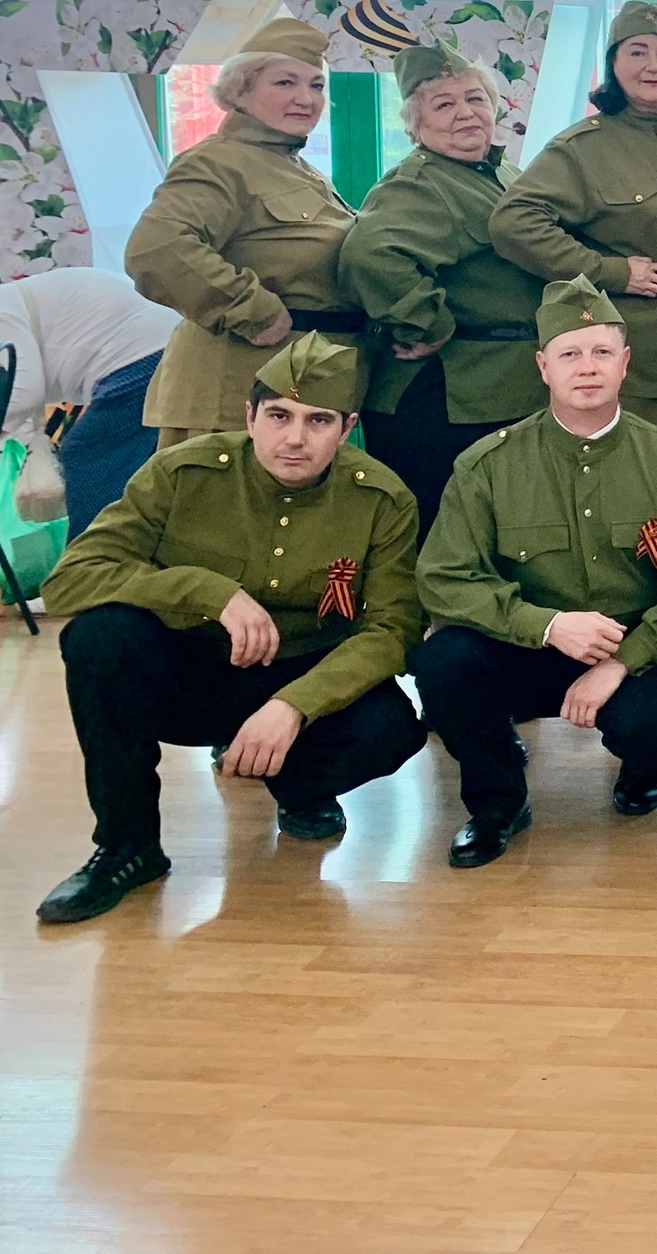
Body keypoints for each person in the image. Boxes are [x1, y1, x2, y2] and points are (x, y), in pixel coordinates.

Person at [36, 336, 425, 924]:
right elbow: (70, 581)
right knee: (99, 638)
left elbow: (394, 629)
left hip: (304, 673)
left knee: (392, 727)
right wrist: (207, 592)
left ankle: (300, 788)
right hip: (195, 671)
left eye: (318, 420)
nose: (295, 439)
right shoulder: (182, 473)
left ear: (347, 428)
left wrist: (296, 706)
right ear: (249, 417)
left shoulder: (382, 499)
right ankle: (127, 846)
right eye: (278, 416)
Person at [410, 275, 657, 868]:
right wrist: (548, 625)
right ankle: (497, 803)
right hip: (525, 644)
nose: (587, 367)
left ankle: (642, 770)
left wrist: (620, 662)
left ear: (625, 363)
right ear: (543, 367)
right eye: (569, 354)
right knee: (442, 661)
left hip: (634, 650)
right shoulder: (488, 466)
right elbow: (443, 578)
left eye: (602, 352)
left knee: (652, 722)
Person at [489, 0, 657, 433]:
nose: (653, 65)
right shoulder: (583, 148)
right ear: (613, 66)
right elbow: (514, 221)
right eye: (637, 52)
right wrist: (613, 272)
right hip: (642, 363)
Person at [126, 15, 366, 449]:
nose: (305, 98)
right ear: (241, 90)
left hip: (295, 394)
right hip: (235, 397)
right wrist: (251, 310)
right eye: (285, 83)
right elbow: (156, 249)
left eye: (316, 85)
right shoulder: (219, 162)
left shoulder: (298, 168)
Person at [338, 43, 545, 531]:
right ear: (415, 124)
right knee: (444, 535)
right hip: (446, 399)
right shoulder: (419, 184)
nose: (465, 113)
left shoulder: (499, 173)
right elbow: (368, 255)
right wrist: (429, 323)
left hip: (499, 389)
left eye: (475, 98)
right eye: (444, 104)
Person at [0, 266, 176, 538]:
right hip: (151, 349)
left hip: (143, 353)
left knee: (86, 455)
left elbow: (23, 388)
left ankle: (94, 557)